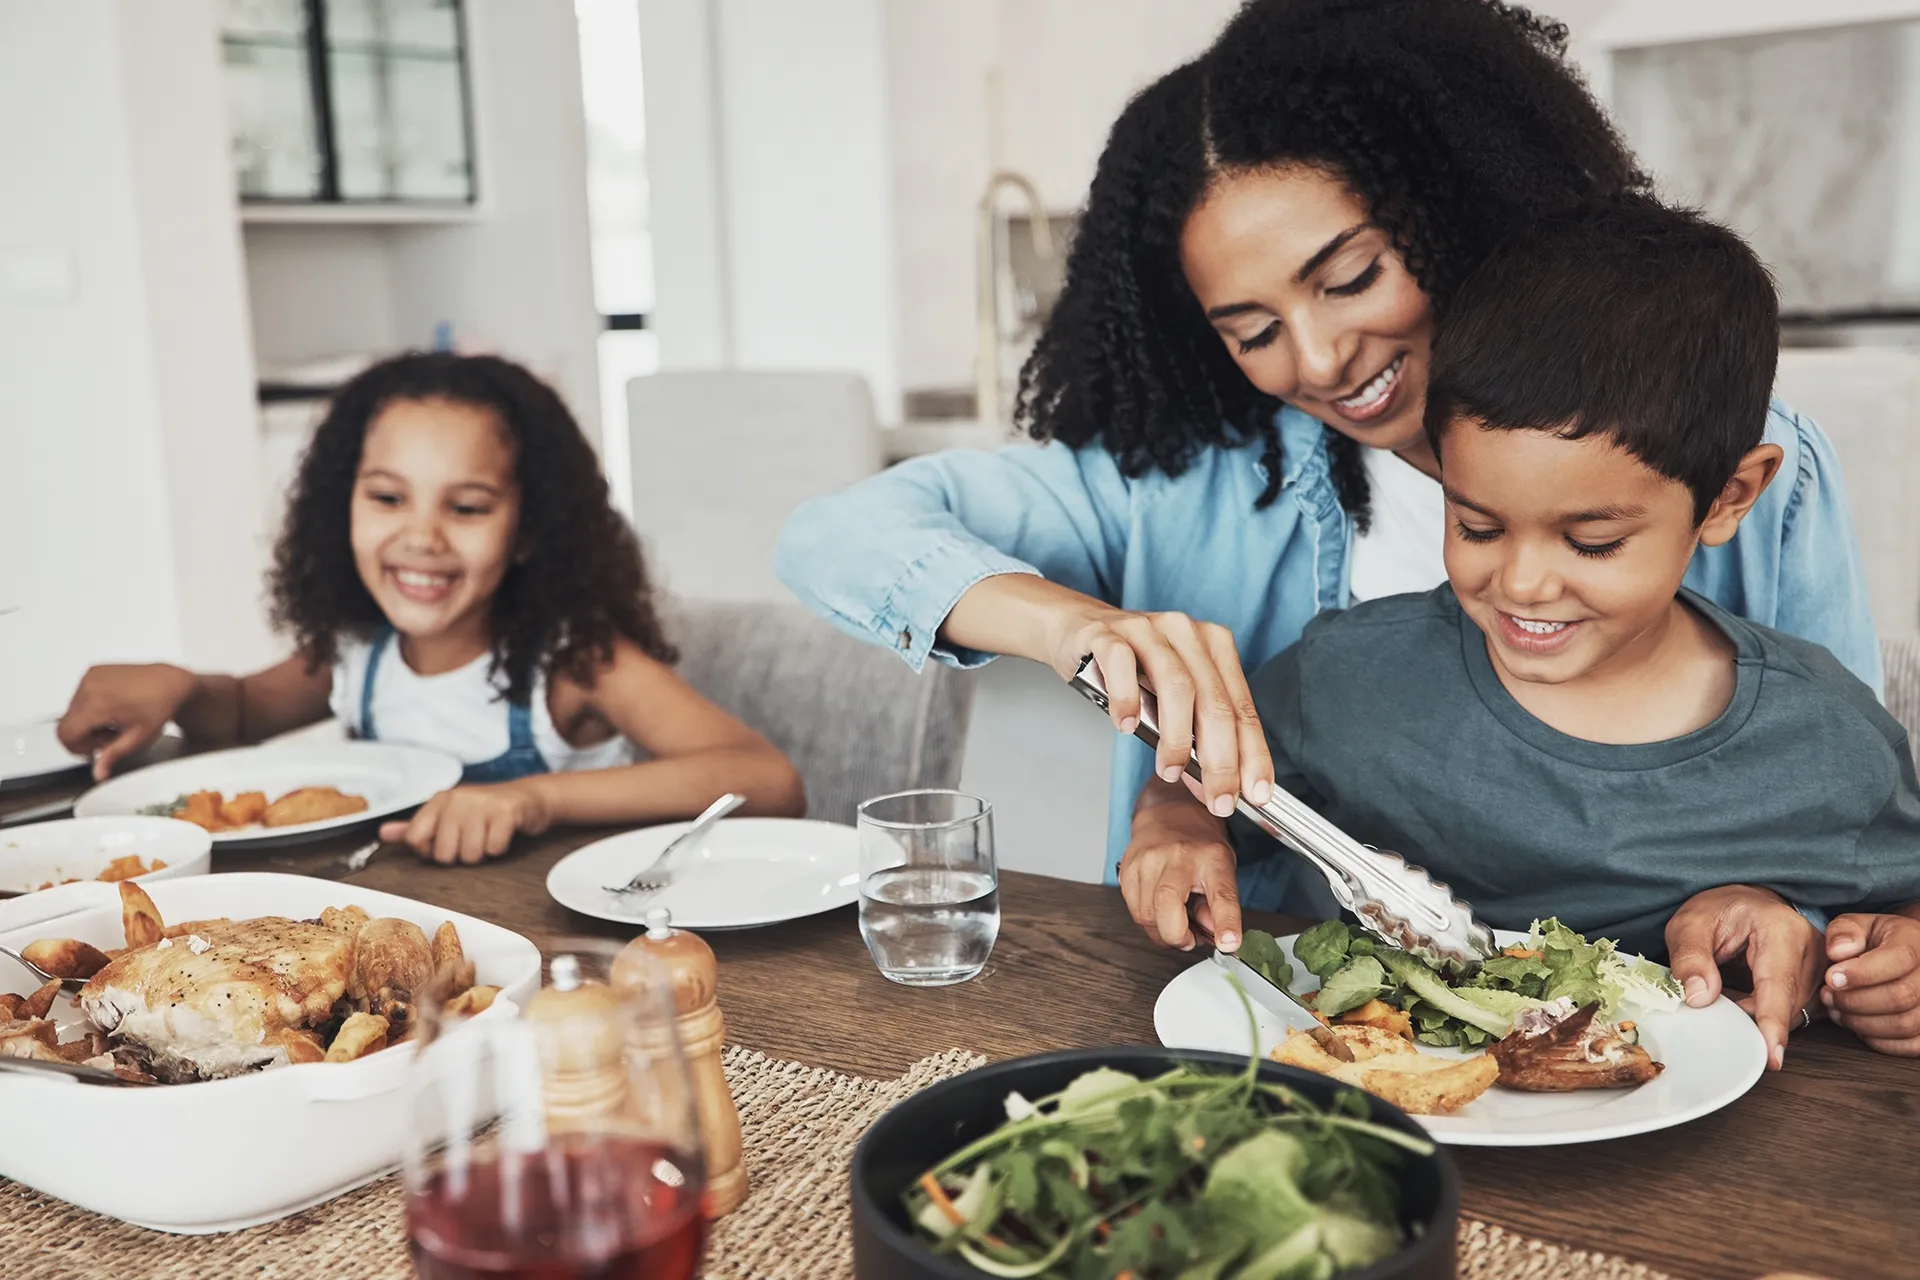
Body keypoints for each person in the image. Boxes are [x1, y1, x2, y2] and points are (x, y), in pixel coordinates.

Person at [773, 0, 1878, 982]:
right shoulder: (1185, 481)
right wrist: (1083, 630)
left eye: (1351, 278)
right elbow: (838, 533)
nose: (1318, 357)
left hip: (1667, 1051)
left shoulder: (1732, 455)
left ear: (1455, 205)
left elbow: (1833, 816)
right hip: (1309, 1024)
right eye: (1250, 330)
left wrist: (1787, 913)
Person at [1232, 200, 1920, 1069]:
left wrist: (1894, 966)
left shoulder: (1826, 741)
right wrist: (1175, 829)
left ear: (1730, 498)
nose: (1520, 584)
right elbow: (1218, 781)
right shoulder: (1350, 673)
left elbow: (1902, 909)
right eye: (1477, 525)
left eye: (1592, 542)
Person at [59, 353, 805, 863]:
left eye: (468, 507)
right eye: (387, 497)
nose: (421, 537)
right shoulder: (359, 648)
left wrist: (533, 799)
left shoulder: (576, 662)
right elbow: (249, 709)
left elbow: (765, 778)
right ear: (340, 504)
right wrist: (183, 688)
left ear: (527, 531)